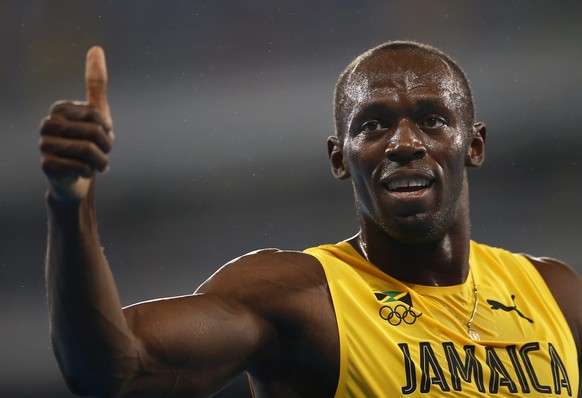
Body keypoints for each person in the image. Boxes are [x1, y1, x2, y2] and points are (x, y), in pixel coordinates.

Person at [39, 41, 582, 397]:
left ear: (474, 145)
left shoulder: (556, 295)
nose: (404, 144)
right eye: (372, 126)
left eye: (433, 120)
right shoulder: (298, 298)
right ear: (339, 160)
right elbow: (110, 371)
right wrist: (71, 208)